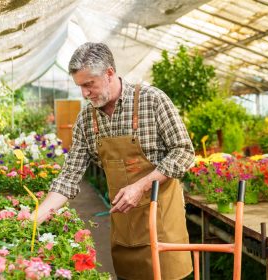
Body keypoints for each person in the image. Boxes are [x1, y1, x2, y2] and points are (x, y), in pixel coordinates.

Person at [35, 42, 195, 280]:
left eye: (89, 84)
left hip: (163, 229)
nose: (84, 94)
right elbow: (69, 177)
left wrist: (140, 186)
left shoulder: (152, 101)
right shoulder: (86, 120)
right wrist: (36, 217)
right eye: (80, 86)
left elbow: (184, 152)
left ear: (109, 73)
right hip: (125, 231)